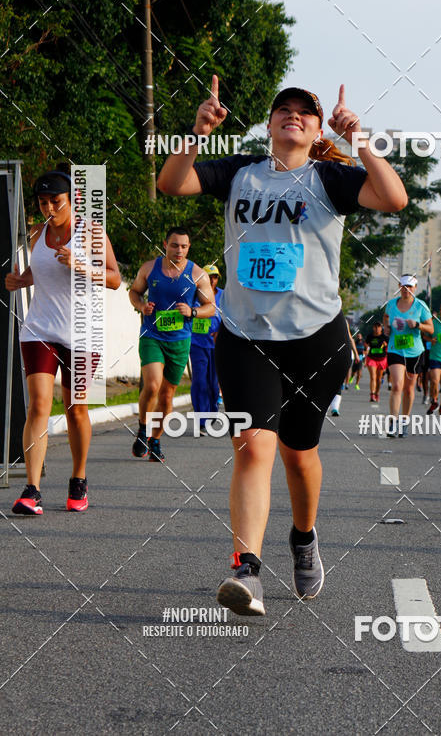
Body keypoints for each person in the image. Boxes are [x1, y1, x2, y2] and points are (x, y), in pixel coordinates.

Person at [157, 76, 407, 615]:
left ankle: (304, 536)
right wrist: (197, 132)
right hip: (246, 337)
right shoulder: (240, 173)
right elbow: (172, 184)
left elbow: (394, 197)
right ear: (269, 125)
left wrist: (359, 139)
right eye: (283, 109)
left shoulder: (330, 178)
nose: (293, 115)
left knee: (299, 454)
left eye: (305, 112)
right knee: (253, 446)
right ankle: (246, 570)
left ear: (317, 130)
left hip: (316, 340)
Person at [7, 167, 121, 515]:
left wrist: (81, 265)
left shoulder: (92, 233)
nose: (49, 208)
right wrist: (21, 280)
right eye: (43, 202)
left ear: (73, 199)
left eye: (56, 201)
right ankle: (32, 490)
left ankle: (78, 478)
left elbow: (115, 279)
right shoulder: (37, 232)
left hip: (82, 331)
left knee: (76, 409)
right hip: (39, 328)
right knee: (39, 404)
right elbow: (41, 271)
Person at [128, 228, 214, 462]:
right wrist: (141, 306)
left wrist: (193, 311)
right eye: (175, 245)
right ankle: (143, 429)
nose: (179, 250)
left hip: (179, 341)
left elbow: (211, 308)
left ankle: (155, 440)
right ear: (165, 244)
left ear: (189, 248)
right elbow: (134, 292)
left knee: (167, 396)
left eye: (184, 246)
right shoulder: (149, 268)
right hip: (152, 336)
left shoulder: (198, 274)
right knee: (152, 384)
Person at [383, 275, 433, 436]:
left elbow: (431, 329)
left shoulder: (421, 306)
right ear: (399, 286)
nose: (407, 290)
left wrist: (418, 324)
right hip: (395, 349)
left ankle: (404, 420)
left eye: (410, 287)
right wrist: (386, 328)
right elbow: (386, 317)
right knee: (397, 385)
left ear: (415, 288)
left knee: (409, 389)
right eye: (404, 286)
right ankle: (393, 422)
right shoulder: (391, 304)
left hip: (415, 352)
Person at [190, 264, 223, 433]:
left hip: (217, 346)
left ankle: (212, 409)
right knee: (199, 381)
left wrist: (221, 332)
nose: (212, 280)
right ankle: (201, 419)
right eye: (209, 277)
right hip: (197, 343)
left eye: (215, 277)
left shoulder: (224, 296)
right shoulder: (193, 294)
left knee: (213, 383)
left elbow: (232, 317)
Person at [365, 322, 388, 402]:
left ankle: (377, 393)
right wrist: (366, 348)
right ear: (373, 328)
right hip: (372, 358)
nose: (377, 328)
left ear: (381, 328)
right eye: (375, 327)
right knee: (373, 377)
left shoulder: (385, 337)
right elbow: (366, 345)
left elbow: (390, 347)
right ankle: (372, 394)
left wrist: (386, 345)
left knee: (378, 379)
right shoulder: (370, 336)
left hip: (382, 359)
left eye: (378, 327)